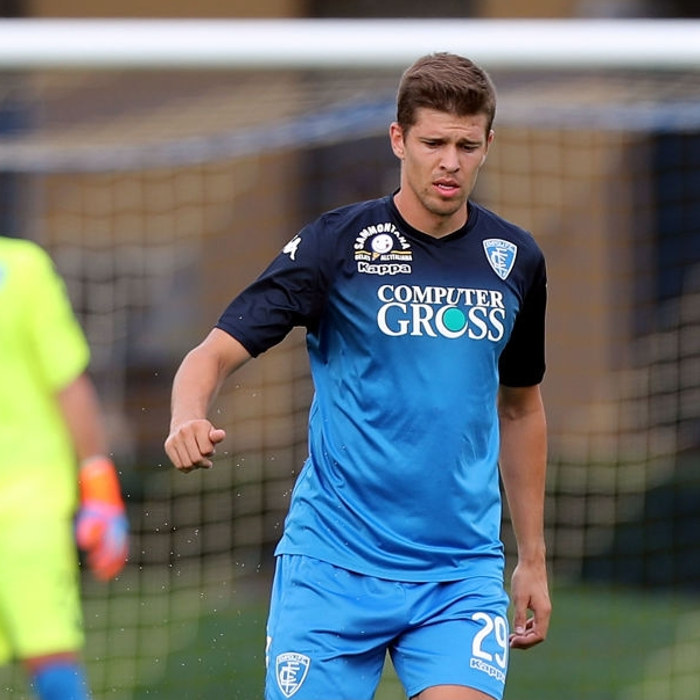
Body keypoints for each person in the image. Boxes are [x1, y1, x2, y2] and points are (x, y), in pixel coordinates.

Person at [165, 52, 551, 700]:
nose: (450, 163)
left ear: (488, 145)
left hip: (458, 574)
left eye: (466, 146)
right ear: (399, 139)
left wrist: (533, 560)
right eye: (433, 143)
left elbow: (521, 408)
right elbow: (212, 353)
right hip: (332, 566)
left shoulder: (514, 260)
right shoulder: (336, 245)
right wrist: (186, 415)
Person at [0, 235, 129, 700]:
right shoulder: (20, 267)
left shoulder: (23, 269)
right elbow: (69, 383)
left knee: (52, 664)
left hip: (28, 508)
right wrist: (100, 487)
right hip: (31, 510)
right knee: (53, 664)